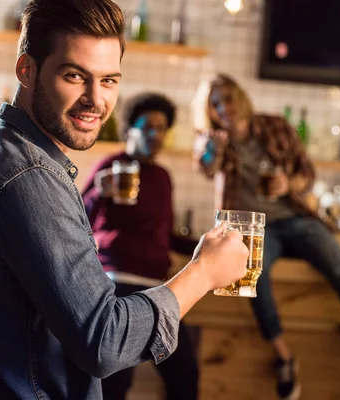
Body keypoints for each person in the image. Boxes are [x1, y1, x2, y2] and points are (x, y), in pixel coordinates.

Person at [0, 1, 248, 399]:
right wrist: (204, 273)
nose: (95, 100)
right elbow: (105, 341)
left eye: (109, 80)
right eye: (75, 76)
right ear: (27, 70)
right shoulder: (31, 177)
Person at [194, 74, 340, 400]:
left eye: (228, 98)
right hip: (253, 228)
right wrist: (213, 147)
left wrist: (287, 184)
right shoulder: (214, 140)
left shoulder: (275, 127)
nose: (225, 107)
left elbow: (308, 174)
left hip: (294, 219)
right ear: (209, 110)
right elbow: (207, 167)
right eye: (216, 103)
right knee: (251, 276)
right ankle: (284, 359)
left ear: (241, 97)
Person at [81, 93, 200, 400]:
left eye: (161, 128)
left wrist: (207, 245)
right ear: (130, 128)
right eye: (147, 126)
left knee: (185, 375)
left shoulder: (163, 177)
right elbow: (75, 219)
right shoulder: (111, 166)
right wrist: (98, 192)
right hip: (115, 287)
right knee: (115, 384)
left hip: (158, 290)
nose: (155, 135)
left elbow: (166, 236)